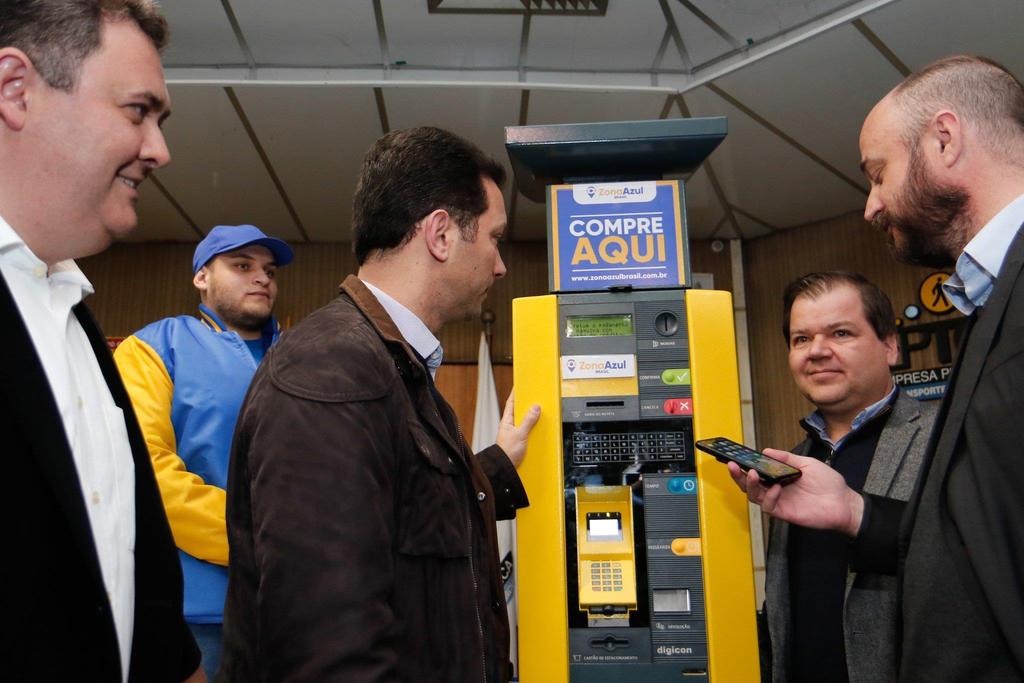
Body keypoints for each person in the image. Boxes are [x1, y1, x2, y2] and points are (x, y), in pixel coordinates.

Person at [732, 55, 1024, 681]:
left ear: (944, 140)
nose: (870, 206)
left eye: (878, 173)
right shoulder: (989, 301)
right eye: (800, 337)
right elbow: (977, 544)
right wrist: (852, 513)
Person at [219, 126, 541, 683]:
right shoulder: (331, 370)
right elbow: (326, 646)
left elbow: (410, 518)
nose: (499, 265)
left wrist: (495, 465)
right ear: (441, 234)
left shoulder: (393, 366)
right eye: (494, 238)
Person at [0, 1, 203, 681]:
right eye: (137, 111)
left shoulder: (80, 321)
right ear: (16, 91)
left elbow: (123, 568)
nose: (160, 150)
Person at [114, 225, 294, 678]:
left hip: (297, 609)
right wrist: (265, 537)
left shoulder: (301, 356)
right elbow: (148, 471)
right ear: (201, 277)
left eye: (269, 271)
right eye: (241, 266)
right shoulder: (154, 348)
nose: (262, 278)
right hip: (195, 614)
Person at [764, 271, 935, 683]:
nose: (816, 351)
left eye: (840, 333)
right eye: (801, 339)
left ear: (890, 345)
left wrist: (858, 515)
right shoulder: (796, 459)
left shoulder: (947, 435)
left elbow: (974, 559)